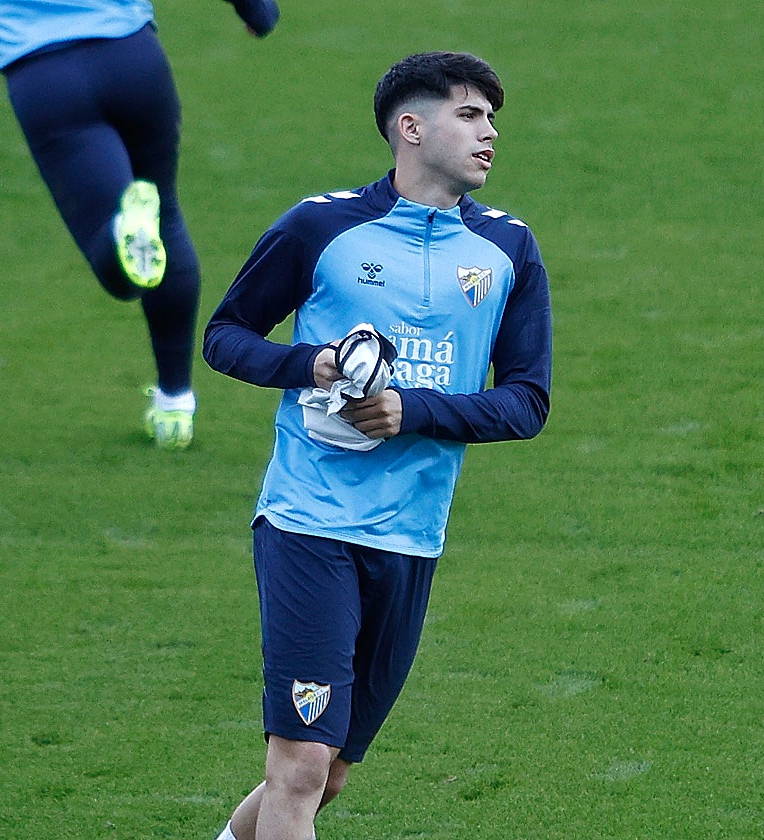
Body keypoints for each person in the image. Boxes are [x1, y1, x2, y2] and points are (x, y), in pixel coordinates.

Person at [202, 51, 552, 839]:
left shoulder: (508, 252)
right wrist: (311, 364)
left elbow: (526, 402)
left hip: (410, 537)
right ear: (410, 126)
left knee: (327, 776)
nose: (490, 134)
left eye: (493, 119)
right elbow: (224, 337)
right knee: (295, 767)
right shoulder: (320, 227)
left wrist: (411, 410)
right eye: (470, 115)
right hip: (308, 523)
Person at [0, 0, 280, 450]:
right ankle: (175, 404)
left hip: (44, 71)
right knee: (168, 219)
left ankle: (124, 229)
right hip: (133, 57)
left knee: (119, 261)